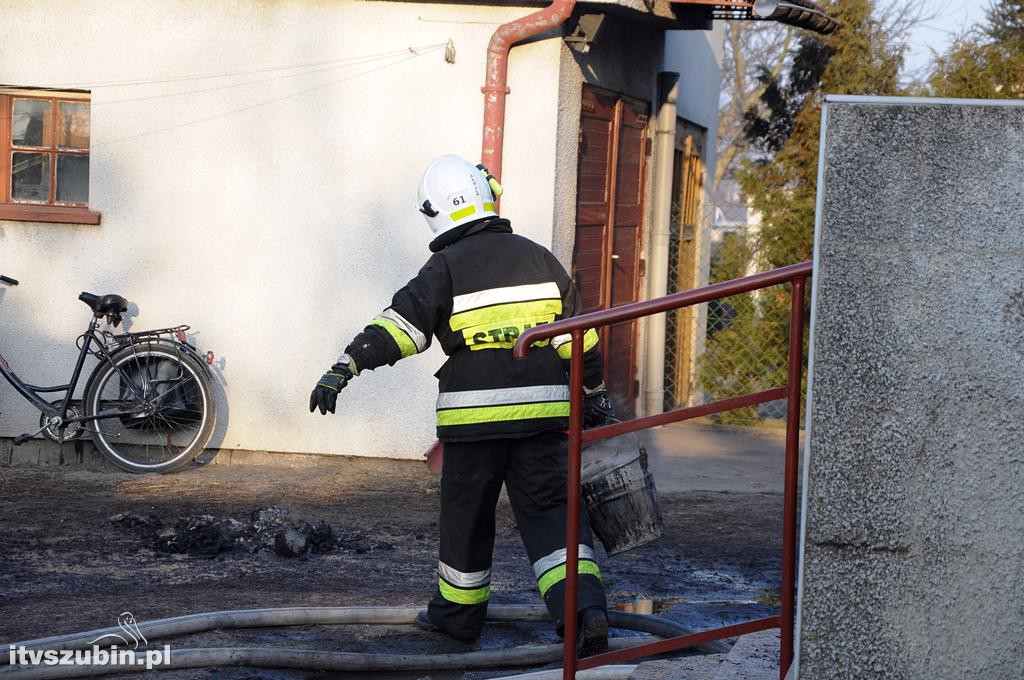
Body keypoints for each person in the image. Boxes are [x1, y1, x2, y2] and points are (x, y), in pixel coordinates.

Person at [309, 154, 615, 656]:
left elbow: (401, 328)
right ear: (483, 195)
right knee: (552, 516)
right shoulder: (540, 257)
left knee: (467, 519)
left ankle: (457, 620)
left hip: (473, 424)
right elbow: (578, 343)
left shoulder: (445, 266)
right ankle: (585, 611)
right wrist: (594, 395)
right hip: (541, 418)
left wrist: (346, 365)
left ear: (435, 213)